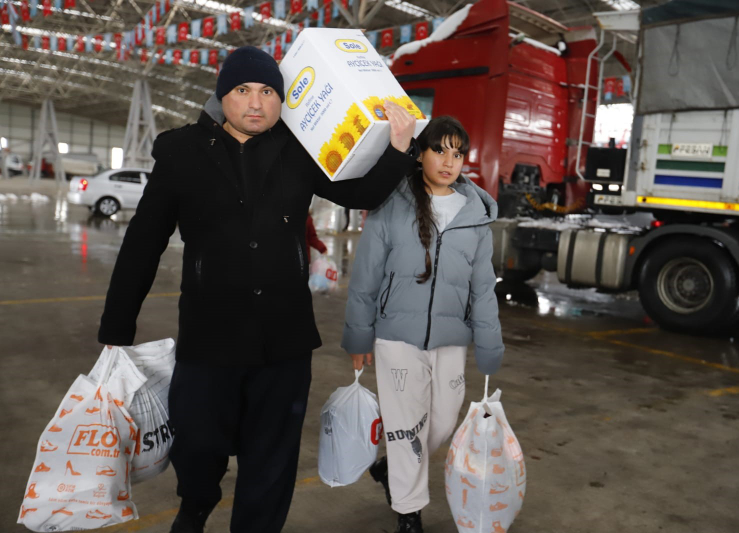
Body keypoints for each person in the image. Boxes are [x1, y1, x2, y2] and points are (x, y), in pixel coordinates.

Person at [98, 46, 418, 533]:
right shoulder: (182, 151)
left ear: (280, 99)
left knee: (272, 458)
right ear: (223, 94)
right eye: (244, 90)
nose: (256, 102)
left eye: (269, 91)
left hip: (284, 341)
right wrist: (117, 325)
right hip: (210, 335)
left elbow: (360, 194)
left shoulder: (298, 149)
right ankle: (196, 503)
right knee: (199, 443)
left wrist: (398, 148)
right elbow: (144, 241)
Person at [341, 116, 504, 533]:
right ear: (420, 152)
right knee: (404, 423)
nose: (450, 161)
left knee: (443, 421)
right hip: (396, 335)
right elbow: (366, 277)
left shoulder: (476, 214)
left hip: (452, 338)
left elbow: (483, 288)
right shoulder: (392, 203)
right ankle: (408, 511)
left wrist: (489, 343)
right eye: (439, 150)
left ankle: (390, 465)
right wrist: (359, 335)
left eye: (458, 152)